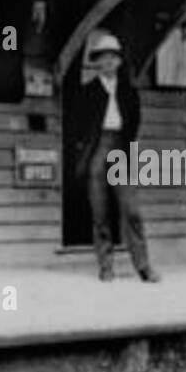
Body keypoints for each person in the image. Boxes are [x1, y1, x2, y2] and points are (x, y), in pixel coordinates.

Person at [68, 29, 160, 283]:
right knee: (100, 212)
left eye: (113, 58)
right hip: (97, 147)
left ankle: (143, 265)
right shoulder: (87, 91)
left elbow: (135, 122)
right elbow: (77, 125)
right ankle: (106, 265)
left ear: (119, 61)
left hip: (121, 146)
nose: (108, 62)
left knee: (131, 210)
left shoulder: (129, 92)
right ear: (96, 62)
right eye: (103, 58)